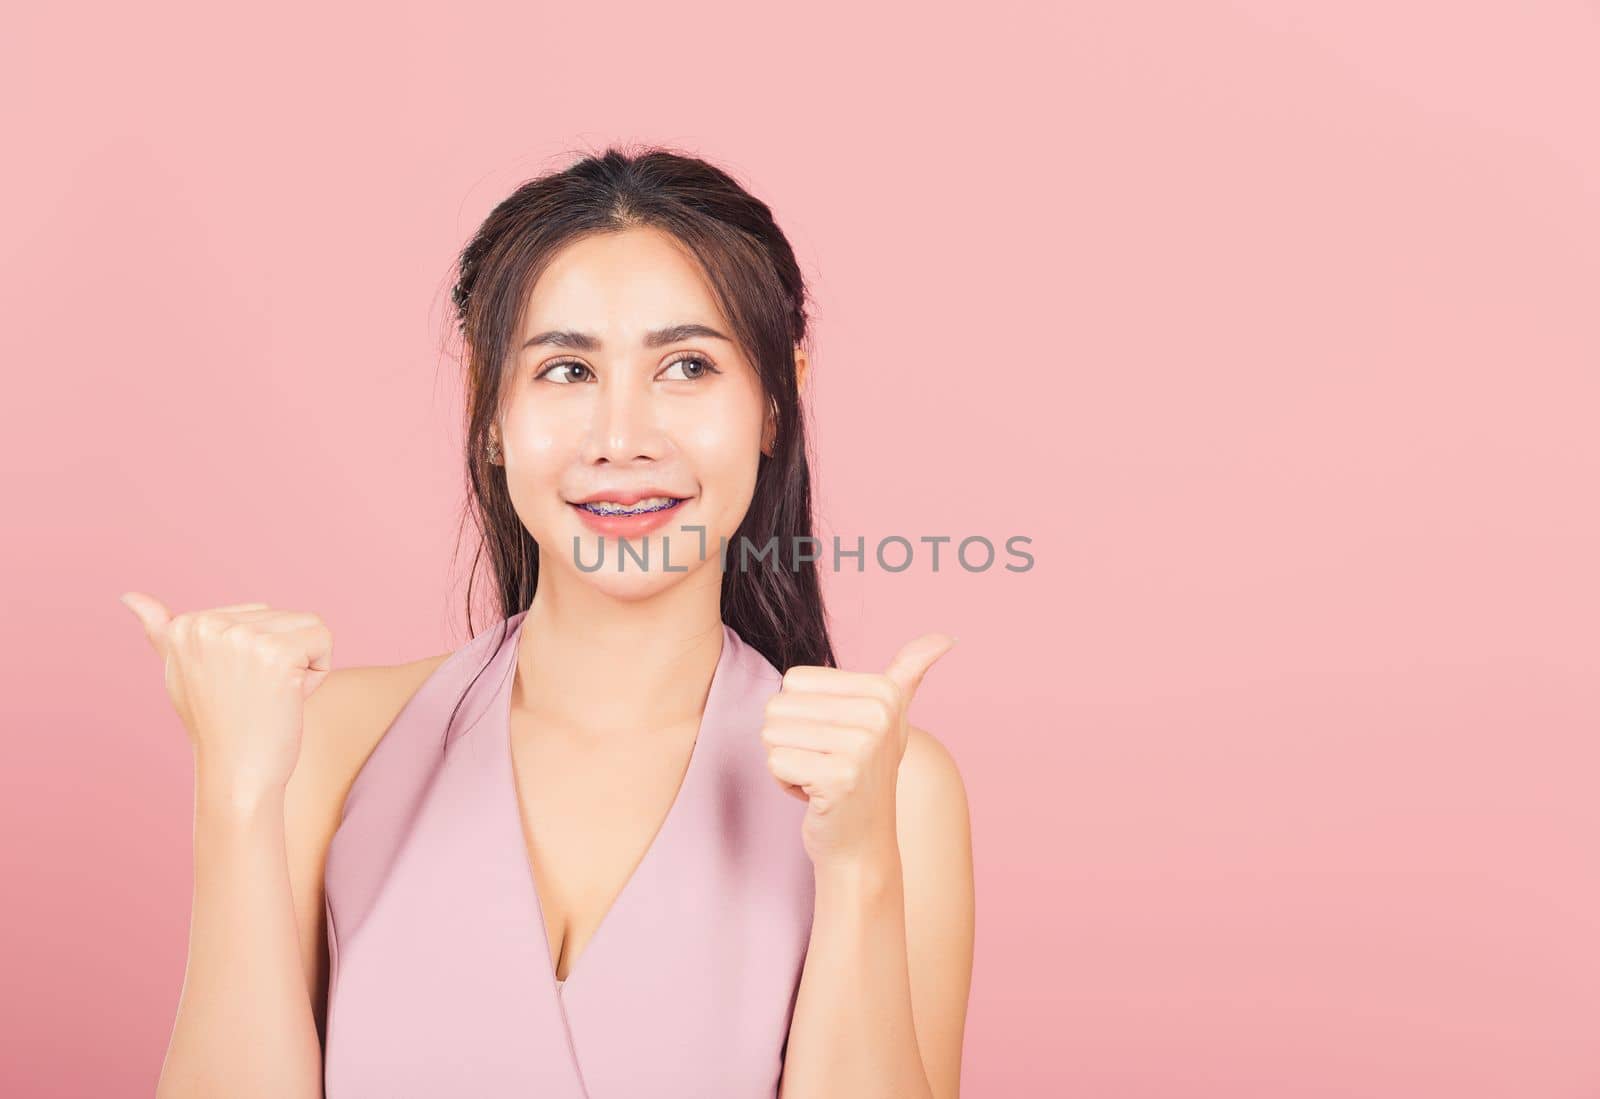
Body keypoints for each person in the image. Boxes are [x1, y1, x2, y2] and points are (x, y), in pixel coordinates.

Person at [126, 146, 975, 1098]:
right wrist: (233, 799)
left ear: (779, 397)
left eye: (687, 366)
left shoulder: (893, 792)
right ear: (488, 408)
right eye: (567, 369)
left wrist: (859, 870)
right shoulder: (322, 744)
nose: (621, 438)